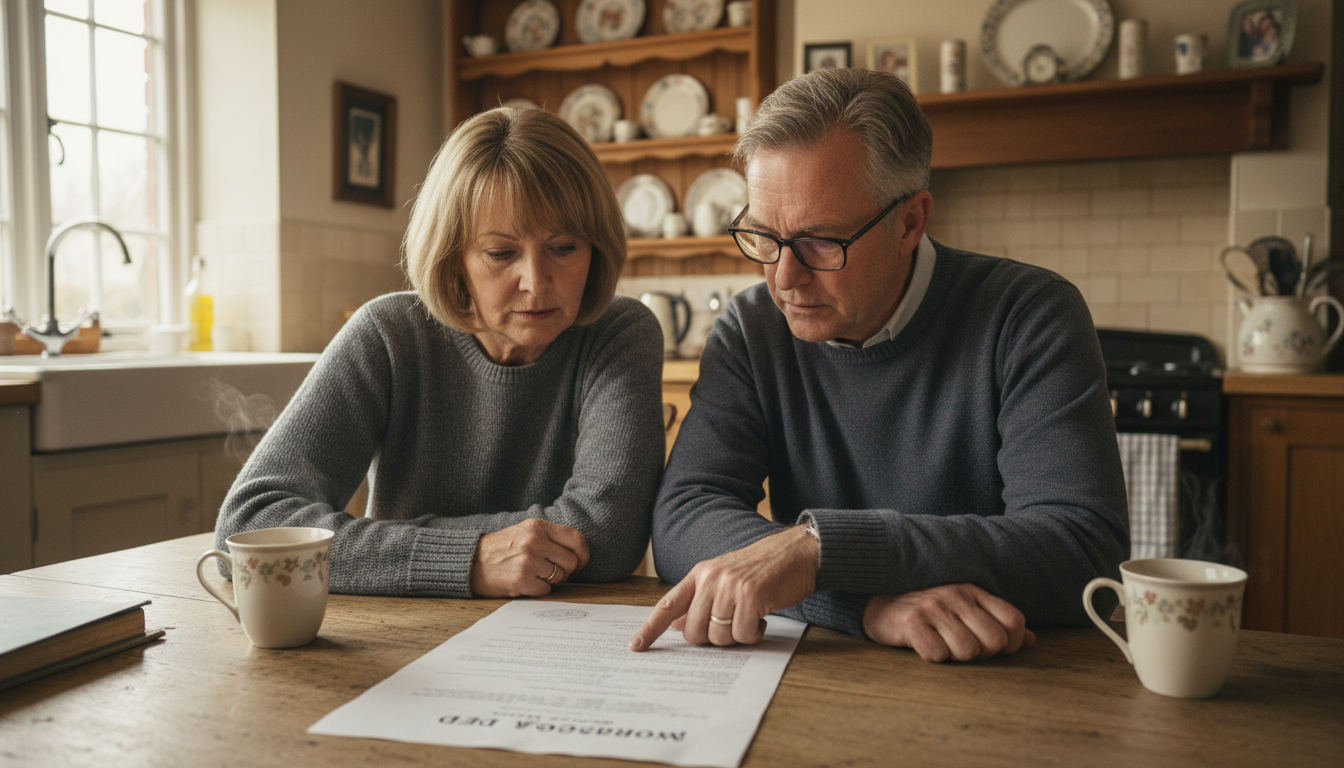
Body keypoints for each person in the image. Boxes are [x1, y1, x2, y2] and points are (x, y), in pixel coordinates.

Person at [629, 68, 1128, 662]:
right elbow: (684, 519)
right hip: (826, 672)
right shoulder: (752, 328)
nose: (783, 278)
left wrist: (820, 551)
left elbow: (1080, 549)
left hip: (1011, 680)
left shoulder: (1029, 315)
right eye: (763, 236)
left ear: (910, 222)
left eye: (820, 241)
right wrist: (863, 607)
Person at [215, 107, 665, 598]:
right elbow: (250, 525)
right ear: (454, 258)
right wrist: (470, 559)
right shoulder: (386, 335)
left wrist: (386, 546)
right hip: (400, 636)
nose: (536, 284)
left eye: (564, 248)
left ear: (595, 250)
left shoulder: (620, 331)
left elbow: (609, 536)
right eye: (500, 254)